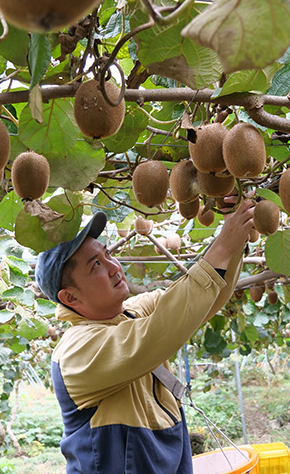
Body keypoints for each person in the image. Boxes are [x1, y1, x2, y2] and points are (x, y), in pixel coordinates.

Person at [35, 200, 256, 474]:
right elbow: (157, 331)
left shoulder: (134, 311)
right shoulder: (74, 351)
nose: (114, 267)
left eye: (107, 255)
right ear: (70, 297)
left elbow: (201, 300)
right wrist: (223, 246)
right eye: (96, 265)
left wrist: (233, 244)